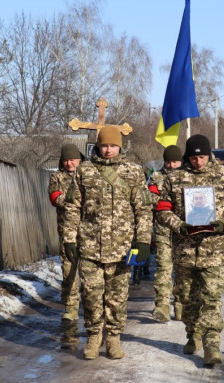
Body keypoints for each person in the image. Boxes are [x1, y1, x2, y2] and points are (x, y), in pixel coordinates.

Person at [62, 126, 153, 360]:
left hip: (122, 248)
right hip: (90, 246)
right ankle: (93, 336)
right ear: (98, 146)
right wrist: (70, 239)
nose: (109, 149)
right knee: (91, 295)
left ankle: (113, 337)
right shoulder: (84, 171)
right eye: (105, 145)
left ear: (120, 147)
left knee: (117, 297)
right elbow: (73, 207)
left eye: (113, 145)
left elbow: (143, 209)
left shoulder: (133, 172)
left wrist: (142, 241)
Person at [157, 134, 224, 366]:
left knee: (212, 299)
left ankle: (212, 345)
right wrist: (179, 225)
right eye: (194, 157)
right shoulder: (174, 179)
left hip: (213, 251)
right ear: (188, 156)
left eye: (203, 157)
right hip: (185, 250)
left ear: (209, 155)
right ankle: (192, 334)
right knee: (187, 298)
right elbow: (163, 209)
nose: (199, 162)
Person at [147, 145, 183, 322]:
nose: (171, 165)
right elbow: (151, 199)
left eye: (175, 161)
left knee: (183, 270)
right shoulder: (156, 178)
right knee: (163, 268)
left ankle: (181, 305)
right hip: (163, 231)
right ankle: (162, 305)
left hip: (184, 232)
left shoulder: (188, 177)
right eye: (168, 162)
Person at [47, 144, 81, 325]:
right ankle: (71, 305)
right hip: (67, 228)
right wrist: (75, 201)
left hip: (89, 230)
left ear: (79, 159)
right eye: (66, 160)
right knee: (69, 266)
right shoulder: (57, 177)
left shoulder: (87, 175)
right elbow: (54, 197)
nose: (69, 163)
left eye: (72, 159)